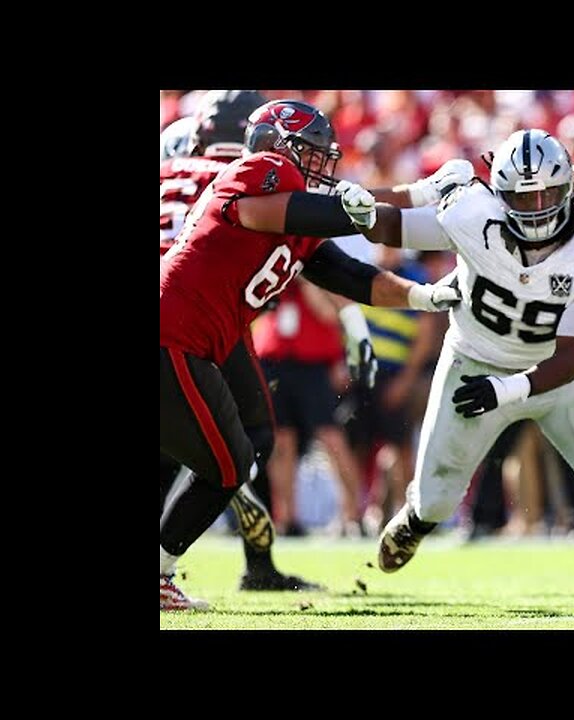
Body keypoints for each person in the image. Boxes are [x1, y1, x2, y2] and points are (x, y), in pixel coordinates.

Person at [160, 99, 460, 611]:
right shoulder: (259, 173)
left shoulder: (297, 214)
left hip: (206, 338)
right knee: (227, 465)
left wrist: (425, 297)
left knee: (243, 445)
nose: (323, 165)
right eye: (313, 153)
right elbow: (268, 211)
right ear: (280, 145)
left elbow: (351, 275)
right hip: (175, 334)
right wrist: (368, 205)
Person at [353, 129, 574, 609]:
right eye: (522, 196)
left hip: (558, 373)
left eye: (547, 192)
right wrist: (360, 206)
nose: (537, 206)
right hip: (473, 359)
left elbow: (573, 356)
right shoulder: (472, 214)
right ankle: (416, 518)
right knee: (437, 502)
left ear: (571, 185)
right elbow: (390, 227)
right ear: (499, 195)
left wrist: (505, 390)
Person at [159, 90, 323, 592]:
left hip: (187, 312)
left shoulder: (172, 169)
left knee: (211, 450)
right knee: (240, 447)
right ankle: (253, 561)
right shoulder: (249, 178)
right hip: (201, 321)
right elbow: (318, 261)